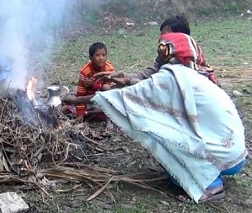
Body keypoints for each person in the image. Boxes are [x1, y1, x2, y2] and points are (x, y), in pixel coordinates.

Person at [92, 32, 247, 203]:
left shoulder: (172, 74)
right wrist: (125, 80)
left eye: (161, 51)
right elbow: (151, 85)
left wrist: (103, 97)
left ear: (169, 53)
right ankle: (211, 173)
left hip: (224, 156)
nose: (158, 56)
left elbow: (145, 91)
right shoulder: (193, 74)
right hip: (236, 154)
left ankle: (211, 185)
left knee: (171, 156)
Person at [94, 15, 220, 87]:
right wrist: (120, 75)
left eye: (166, 36)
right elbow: (149, 73)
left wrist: (128, 81)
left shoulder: (188, 65)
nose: (162, 40)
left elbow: (158, 88)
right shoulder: (167, 55)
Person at [75, 42, 114, 128]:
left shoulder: (109, 70)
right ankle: (89, 113)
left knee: (108, 92)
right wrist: (80, 113)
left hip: (104, 100)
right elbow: (81, 93)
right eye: (97, 55)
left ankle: (108, 120)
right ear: (90, 58)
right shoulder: (85, 72)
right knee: (74, 106)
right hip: (89, 99)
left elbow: (109, 89)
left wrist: (94, 85)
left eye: (104, 55)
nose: (101, 58)